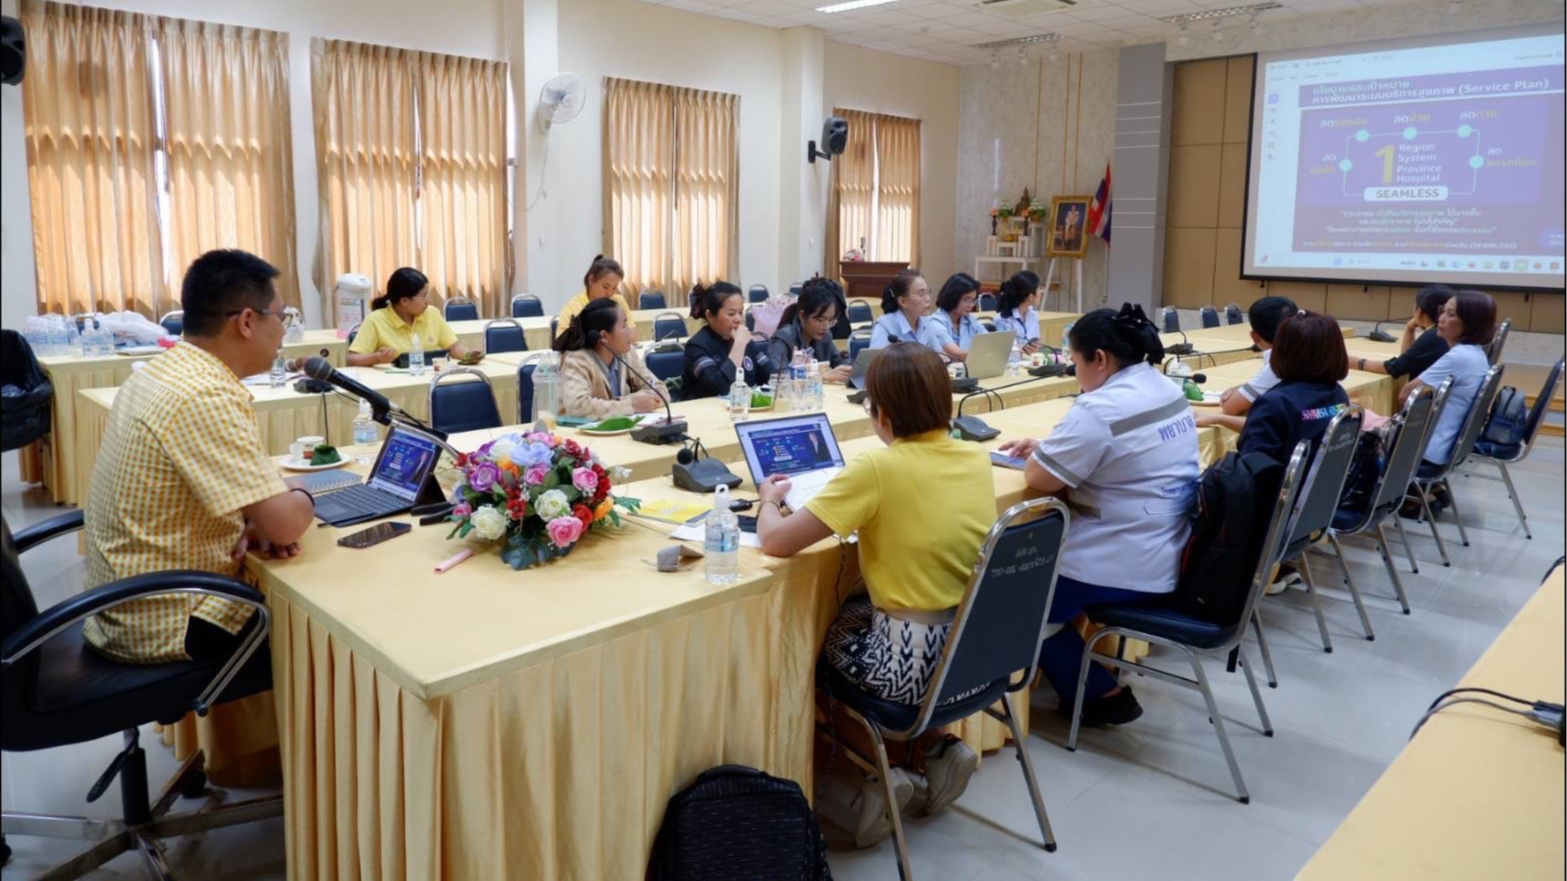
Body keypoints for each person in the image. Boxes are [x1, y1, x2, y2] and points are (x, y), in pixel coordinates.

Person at [755, 343, 994, 842]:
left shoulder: (877, 468)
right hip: (975, 651)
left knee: (817, 648)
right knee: (864, 608)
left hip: (909, 670)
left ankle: (870, 779)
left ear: (880, 413)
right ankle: (937, 749)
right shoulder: (974, 456)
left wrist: (768, 501)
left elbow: (776, 543)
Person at [83, 249, 316, 664]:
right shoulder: (205, 394)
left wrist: (253, 517)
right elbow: (286, 526)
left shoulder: (165, 371)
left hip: (126, 603)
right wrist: (299, 491)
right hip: (171, 619)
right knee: (329, 619)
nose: (284, 333)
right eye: (283, 318)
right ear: (247, 321)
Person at [996, 304, 1200, 726]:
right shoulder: (1164, 387)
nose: (1075, 374)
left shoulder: (1100, 409)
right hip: (1169, 546)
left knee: (1014, 599)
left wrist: (1048, 457)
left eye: (1075, 363)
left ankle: (1098, 693)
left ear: (1100, 359)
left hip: (1123, 563)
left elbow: (1039, 478)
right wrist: (1056, 451)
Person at [1398, 289, 1496, 516]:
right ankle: (1424, 490)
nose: (1441, 318)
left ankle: (1411, 494)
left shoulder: (1458, 357)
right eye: (1443, 312)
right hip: (1447, 445)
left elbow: (1406, 395)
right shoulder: (1475, 354)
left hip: (1430, 449)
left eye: (1450, 315)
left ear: (1469, 324)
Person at [1215, 311, 1351, 465]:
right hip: (1325, 486)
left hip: (1278, 487)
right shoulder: (1339, 394)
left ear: (1281, 350)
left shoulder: (1274, 404)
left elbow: (1249, 473)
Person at [554, 298, 669, 420]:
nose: (630, 331)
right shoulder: (575, 360)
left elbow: (660, 390)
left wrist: (616, 404)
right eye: (624, 325)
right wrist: (633, 405)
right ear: (604, 336)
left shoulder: (628, 354)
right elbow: (578, 407)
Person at [347, 267, 472, 367]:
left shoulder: (432, 313)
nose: (428, 302)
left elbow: (454, 347)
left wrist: (468, 355)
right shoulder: (375, 320)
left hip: (429, 382)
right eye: (423, 297)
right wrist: (377, 357)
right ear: (404, 301)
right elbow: (351, 359)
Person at [682, 281, 773, 398]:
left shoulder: (744, 340)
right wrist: (739, 345)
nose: (738, 319)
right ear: (710, 316)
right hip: (707, 413)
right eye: (731, 314)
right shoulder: (696, 346)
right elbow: (722, 387)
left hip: (743, 410)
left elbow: (772, 376)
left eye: (740, 313)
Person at [1216, 295, 1299, 419]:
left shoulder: (1278, 365)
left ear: (1255, 337)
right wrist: (1243, 387)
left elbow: (1230, 407)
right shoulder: (1312, 351)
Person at [1354, 285, 1453, 379]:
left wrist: (1358, 362)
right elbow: (1407, 361)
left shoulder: (1434, 335)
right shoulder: (1448, 332)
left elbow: (1395, 368)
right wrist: (1410, 328)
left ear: (1419, 310)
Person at [766, 276, 852, 381]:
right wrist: (821, 376)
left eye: (830, 320)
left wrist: (848, 368)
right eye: (820, 320)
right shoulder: (783, 339)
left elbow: (838, 359)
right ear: (802, 316)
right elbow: (779, 378)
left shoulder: (825, 336)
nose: (826, 326)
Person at [556, 255, 637, 341]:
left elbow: (632, 335)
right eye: (605, 287)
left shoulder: (618, 301)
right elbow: (563, 344)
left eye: (614, 288)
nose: (610, 293)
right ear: (591, 280)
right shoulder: (572, 309)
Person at [869, 269, 947, 354]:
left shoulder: (926, 322)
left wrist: (942, 358)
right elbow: (877, 364)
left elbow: (939, 354)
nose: (928, 299)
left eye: (928, 292)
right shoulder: (885, 326)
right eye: (921, 294)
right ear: (903, 301)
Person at [932, 273, 989, 362]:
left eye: (973, 300)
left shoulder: (970, 319)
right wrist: (986, 354)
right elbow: (957, 353)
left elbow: (989, 341)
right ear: (953, 297)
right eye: (966, 299)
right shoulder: (935, 322)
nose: (971, 305)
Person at [993, 270, 1043, 356]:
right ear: (1031, 296)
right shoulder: (1003, 320)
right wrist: (1022, 350)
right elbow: (1002, 353)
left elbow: (1037, 341)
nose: (1041, 292)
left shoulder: (1033, 315)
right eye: (1039, 289)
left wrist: (1036, 346)